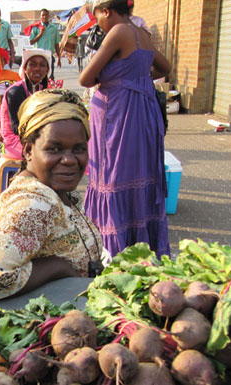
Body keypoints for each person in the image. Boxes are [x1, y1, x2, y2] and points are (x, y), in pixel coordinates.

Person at [0, 89, 104, 303]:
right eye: (54, 149)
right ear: (29, 151)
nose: (69, 160)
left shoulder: (54, 189)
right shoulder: (35, 204)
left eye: (78, 149)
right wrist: (58, 267)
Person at [78, 0, 172, 257]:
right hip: (142, 109)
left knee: (113, 174)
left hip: (117, 112)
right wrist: (137, 77)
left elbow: (85, 78)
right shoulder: (142, 33)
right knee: (135, 170)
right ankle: (140, 244)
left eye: (97, 17)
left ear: (107, 11)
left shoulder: (118, 32)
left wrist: (120, 79)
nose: (98, 23)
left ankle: (113, 248)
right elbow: (165, 68)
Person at [0, 49, 51, 160]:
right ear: (25, 69)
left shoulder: (44, 91)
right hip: (15, 140)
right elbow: (16, 128)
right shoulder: (15, 92)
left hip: (35, 137)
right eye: (32, 65)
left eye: (42, 65)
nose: (37, 69)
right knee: (47, 154)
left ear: (47, 70)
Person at [29, 9, 61, 80]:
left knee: (50, 77)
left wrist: (59, 58)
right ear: (40, 17)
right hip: (38, 56)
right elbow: (31, 42)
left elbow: (56, 44)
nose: (44, 17)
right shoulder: (36, 27)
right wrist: (40, 34)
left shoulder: (54, 28)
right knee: (38, 77)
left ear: (48, 16)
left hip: (49, 56)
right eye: (42, 15)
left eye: (46, 15)